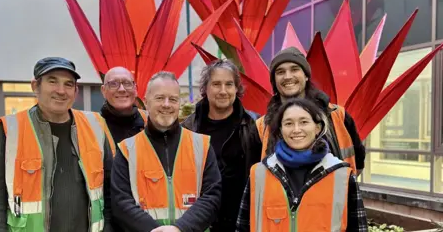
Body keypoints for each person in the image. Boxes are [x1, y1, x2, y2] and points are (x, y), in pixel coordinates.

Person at [0, 57, 115, 231]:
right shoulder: (11, 131)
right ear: (35, 86)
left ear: (75, 90)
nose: (61, 91)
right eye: (52, 82)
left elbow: (110, 191)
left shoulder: (95, 126)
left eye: (68, 84)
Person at [111, 71, 222, 232]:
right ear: (145, 102)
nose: (166, 104)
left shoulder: (202, 145)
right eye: (159, 98)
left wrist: (180, 228)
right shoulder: (127, 150)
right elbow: (120, 203)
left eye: (173, 99)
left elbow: (212, 197)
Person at [236, 98, 368, 231]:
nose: (296, 129)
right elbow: (243, 226)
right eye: (288, 123)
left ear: (318, 127)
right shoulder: (259, 174)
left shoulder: (342, 176)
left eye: (304, 122)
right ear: (280, 130)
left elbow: (359, 228)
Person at [256, 46, 365, 174]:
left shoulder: (338, 115)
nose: (287, 76)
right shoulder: (261, 126)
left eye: (294, 69)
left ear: (306, 76)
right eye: (280, 72)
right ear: (274, 81)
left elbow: (358, 161)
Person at [181, 59, 261, 231]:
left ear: (237, 89)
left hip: (241, 220)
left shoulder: (254, 125)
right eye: (216, 84)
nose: (223, 91)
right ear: (205, 89)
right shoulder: (188, 127)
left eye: (229, 84)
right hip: (199, 221)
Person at [100, 66, 147, 145]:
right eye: (113, 84)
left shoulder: (149, 122)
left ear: (135, 90)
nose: (122, 89)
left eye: (127, 83)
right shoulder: (92, 127)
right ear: (103, 90)